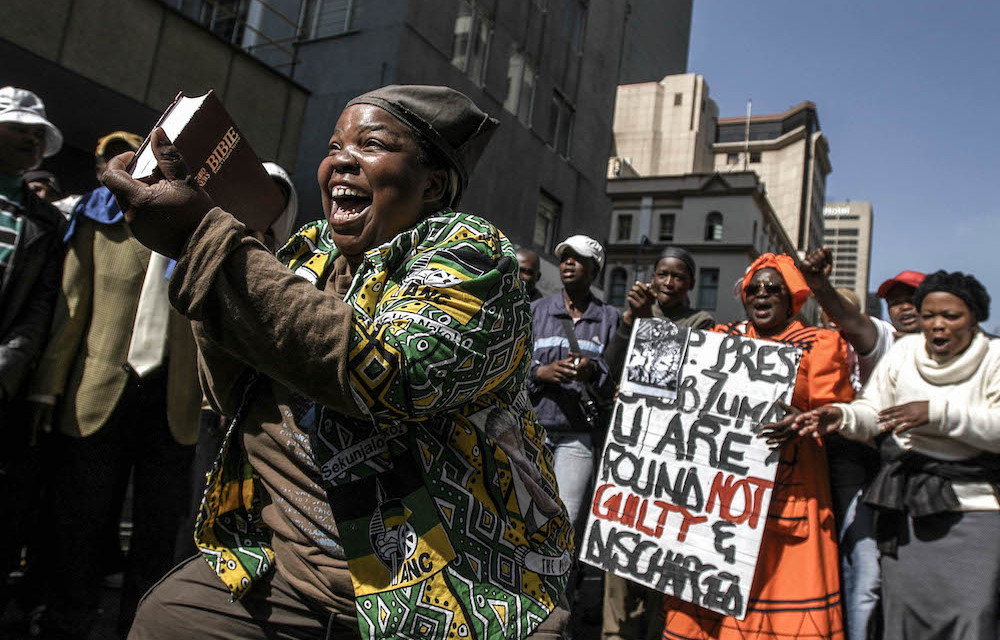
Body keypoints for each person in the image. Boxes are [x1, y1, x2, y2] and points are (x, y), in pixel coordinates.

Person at [103, 84, 572, 640]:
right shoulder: (305, 253)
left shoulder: (473, 254)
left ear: (433, 185)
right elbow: (234, 395)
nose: (341, 160)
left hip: (449, 594)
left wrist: (210, 241)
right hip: (287, 572)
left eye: (372, 144)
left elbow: (393, 375)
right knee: (168, 620)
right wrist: (209, 250)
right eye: (333, 146)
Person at [26, 130, 204, 639]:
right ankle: (67, 621)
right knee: (80, 520)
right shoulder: (99, 217)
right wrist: (46, 387)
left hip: (174, 403)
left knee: (158, 532)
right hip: (98, 393)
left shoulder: (200, 226)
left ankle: (140, 626)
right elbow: (71, 308)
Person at [796, 270, 1000, 640]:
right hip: (907, 511)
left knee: (972, 619)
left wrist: (937, 413)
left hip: (976, 513)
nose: (938, 325)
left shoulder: (995, 358)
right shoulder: (904, 352)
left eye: (951, 316)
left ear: (974, 318)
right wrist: (841, 415)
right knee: (903, 619)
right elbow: (874, 410)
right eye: (929, 315)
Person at [660, 253, 853, 640]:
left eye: (773, 288)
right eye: (754, 288)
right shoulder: (717, 338)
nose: (762, 294)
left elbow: (837, 411)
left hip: (790, 493)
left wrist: (804, 421)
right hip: (719, 499)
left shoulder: (820, 344)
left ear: (791, 298)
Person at [601, 246, 714, 640]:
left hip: (671, 453)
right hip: (629, 448)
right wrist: (630, 319)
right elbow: (608, 368)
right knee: (620, 539)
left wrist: (646, 319)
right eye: (662, 274)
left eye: (677, 276)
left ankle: (652, 627)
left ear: (690, 284)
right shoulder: (630, 313)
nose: (668, 282)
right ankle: (614, 632)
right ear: (651, 277)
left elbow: (679, 376)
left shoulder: (702, 321)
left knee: (661, 544)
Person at [799, 248, 910, 640]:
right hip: (854, 462)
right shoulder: (876, 336)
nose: (904, 309)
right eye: (895, 302)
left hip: (914, 480)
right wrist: (820, 286)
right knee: (865, 568)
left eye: (913, 300)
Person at [0, 85, 66, 612]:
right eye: (19, 128)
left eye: (38, 134)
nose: (32, 139)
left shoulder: (46, 224)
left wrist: (7, 368)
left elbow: (40, 307)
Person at [528, 235, 619, 532]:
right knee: (522, 518)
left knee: (563, 523)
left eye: (578, 258)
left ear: (595, 270)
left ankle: (560, 578)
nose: (568, 263)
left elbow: (616, 381)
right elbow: (512, 363)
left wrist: (592, 372)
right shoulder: (537, 311)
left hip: (578, 437)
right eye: (565, 256)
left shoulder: (609, 319)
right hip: (532, 433)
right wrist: (540, 373)